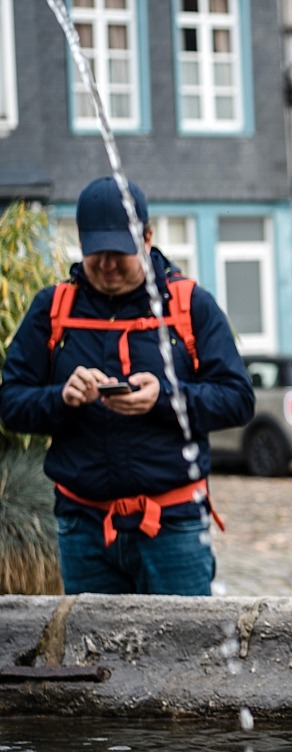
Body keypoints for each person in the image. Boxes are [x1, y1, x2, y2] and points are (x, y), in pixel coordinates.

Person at [0, 177, 254, 595]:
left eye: (121, 251)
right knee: (90, 657)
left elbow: (238, 400)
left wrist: (166, 398)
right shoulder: (53, 309)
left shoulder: (189, 305)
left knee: (184, 656)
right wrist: (62, 398)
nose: (108, 265)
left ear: (148, 237)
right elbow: (11, 402)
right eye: (97, 253)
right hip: (83, 529)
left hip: (173, 527)